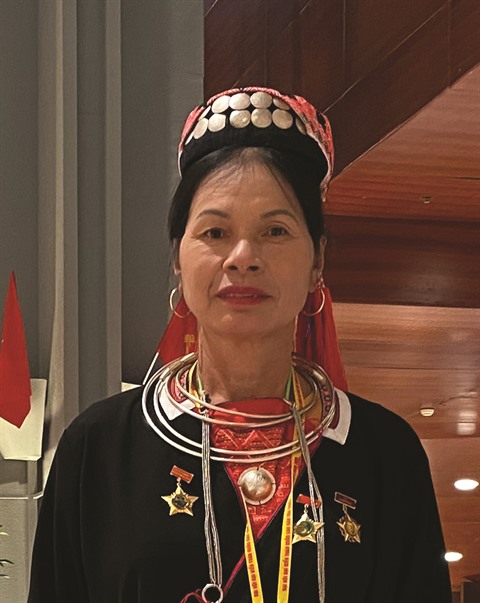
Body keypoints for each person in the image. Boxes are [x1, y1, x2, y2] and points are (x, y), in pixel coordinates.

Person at [27, 86, 452, 603]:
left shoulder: (386, 454)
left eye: (275, 231)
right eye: (215, 232)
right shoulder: (99, 450)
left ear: (317, 261)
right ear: (178, 258)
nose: (243, 257)